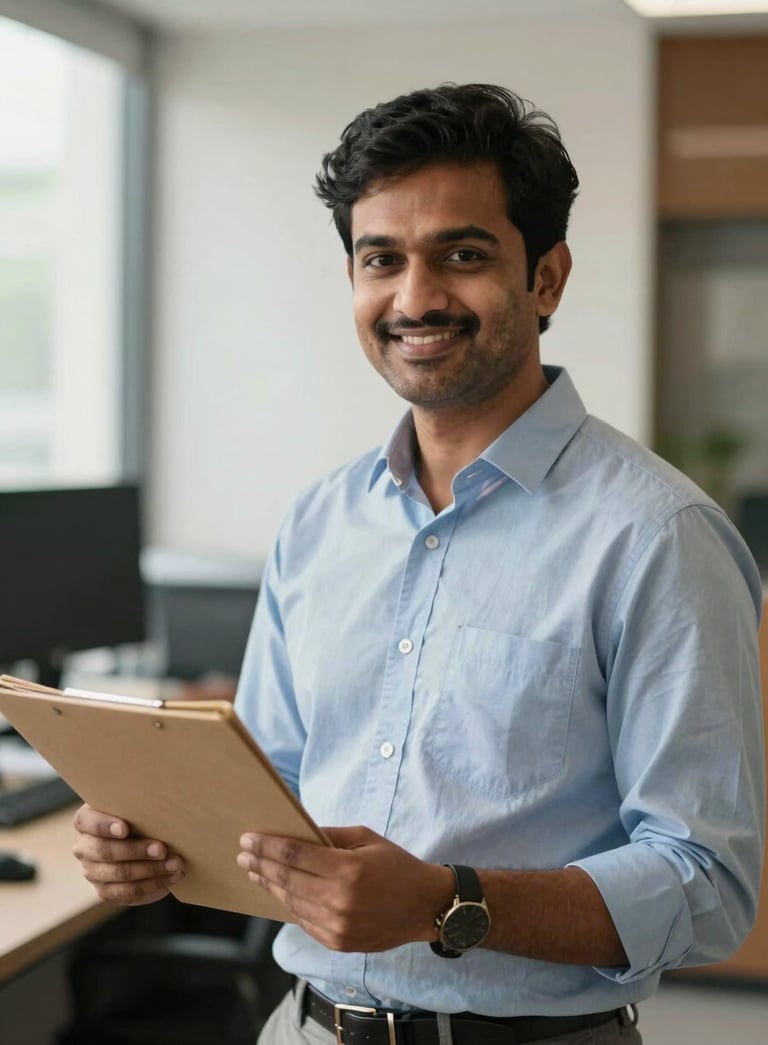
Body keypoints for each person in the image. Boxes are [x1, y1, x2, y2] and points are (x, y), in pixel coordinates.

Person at [73, 84, 765, 1045]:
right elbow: (270, 789)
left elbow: (708, 882)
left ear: (547, 278)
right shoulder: (318, 521)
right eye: (380, 259)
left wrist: (447, 903)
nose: (415, 297)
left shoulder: (659, 534)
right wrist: (160, 839)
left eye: (463, 254)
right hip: (303, 1028)